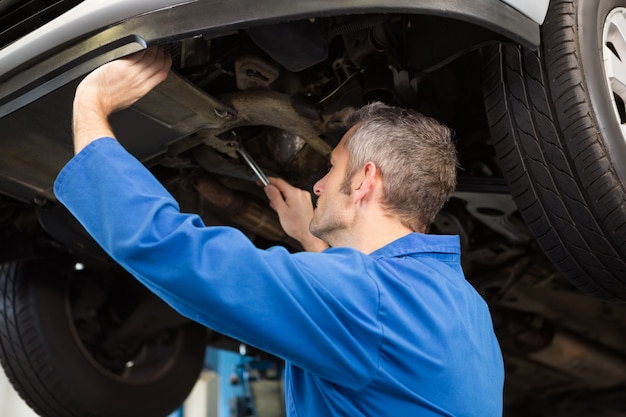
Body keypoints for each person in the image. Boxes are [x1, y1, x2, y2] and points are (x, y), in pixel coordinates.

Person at [54, 47, 504, 416]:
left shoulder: (368, 303)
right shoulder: (468, 312)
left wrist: (90, 105)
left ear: (366, 181)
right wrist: (311, 239)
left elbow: (174, 252)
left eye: (332, 167)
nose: (319, 184)